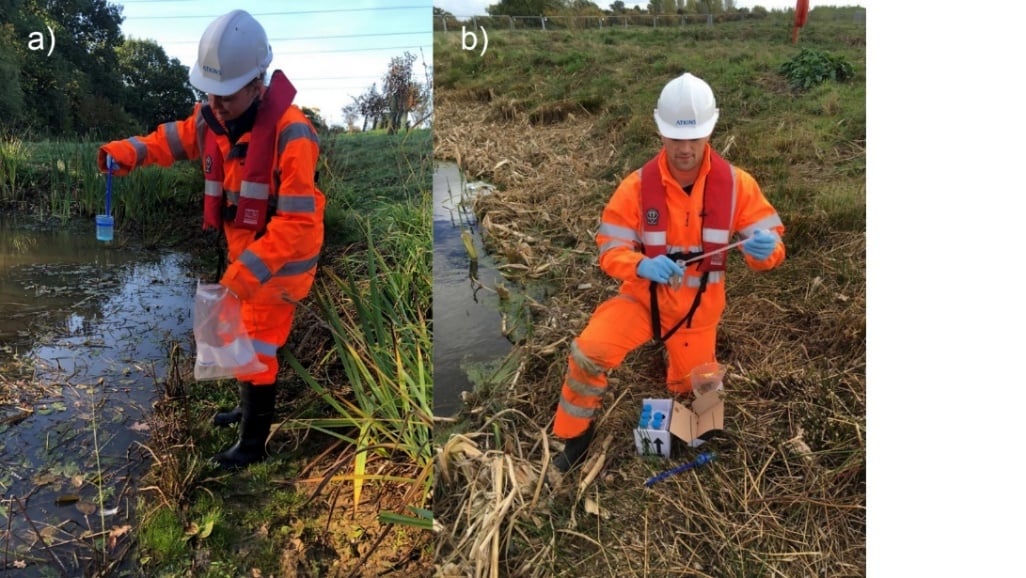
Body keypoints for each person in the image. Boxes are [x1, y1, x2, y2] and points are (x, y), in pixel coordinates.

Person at [98, 9, 325, 470]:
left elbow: (298, 225)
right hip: (245, 260)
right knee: (245, 340)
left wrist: (241, 278)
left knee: (259, 350)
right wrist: (125, 153)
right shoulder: (211, 120)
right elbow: (168, 141)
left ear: (258, 84)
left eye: (227, 94)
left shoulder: (293, 132)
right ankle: (248, 410)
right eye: (210, 93)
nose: (215, 104)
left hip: (278, 265)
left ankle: (253, 447)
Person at [551, 72, 785, 472]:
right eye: (676, 138)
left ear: (710, 131)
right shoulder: (636, 187)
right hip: (642, 299)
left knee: (698, 397)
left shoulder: (738, 185)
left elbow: (772, 249)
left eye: (695, 137)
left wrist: (766, 250)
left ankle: (688, 399)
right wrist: (640, 264)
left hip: (699, 314)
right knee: (589, 352)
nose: (685, 148)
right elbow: (609, 250)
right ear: (660, 132)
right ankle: (575, 437)